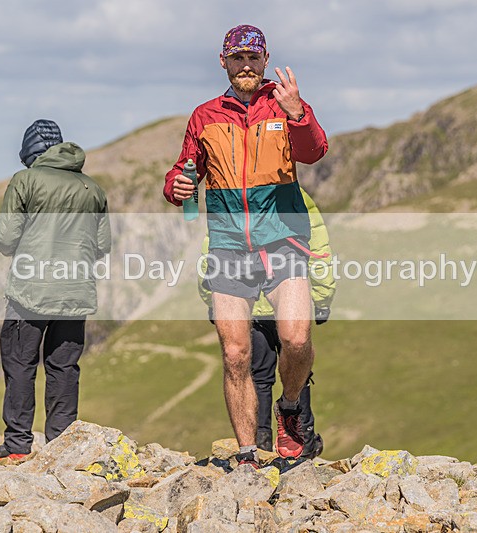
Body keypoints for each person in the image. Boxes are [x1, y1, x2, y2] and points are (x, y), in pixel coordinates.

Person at [164, 25, 328, 466]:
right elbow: (183, 171)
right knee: (235, 353)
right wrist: (177, 187)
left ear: (264, 59)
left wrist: (298, 115)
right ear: (224, 62)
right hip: (229, 247)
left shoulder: (286, 104)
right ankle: (246, 455)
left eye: (253, 59)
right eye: (237, 58)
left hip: (283, 240)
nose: (246, 66)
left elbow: (314, 152)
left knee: (296, 339)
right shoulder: (204, 115)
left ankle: (290, 409)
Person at [0, 119, 111, 461]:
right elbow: (102, 245)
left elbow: (5, 239)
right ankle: (60, 448)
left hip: (30, 292)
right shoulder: (92, 189)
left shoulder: (24, 181)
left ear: (29, 153)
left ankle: (17, 447)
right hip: (76, 294)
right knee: (64, 369)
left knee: (20, 365)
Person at [198, 188, 336, 458]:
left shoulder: (235, 199)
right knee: (297, 369)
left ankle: (261, 443)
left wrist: (210, 299)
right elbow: (319, 250)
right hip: (288, 297)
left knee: (259, 376)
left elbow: (211, 252)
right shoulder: (299, 199)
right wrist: (322, 298)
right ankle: (302, 444)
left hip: (252, 307)